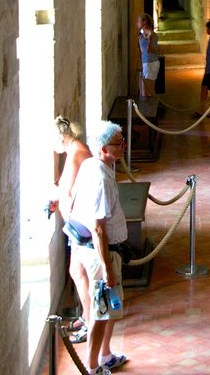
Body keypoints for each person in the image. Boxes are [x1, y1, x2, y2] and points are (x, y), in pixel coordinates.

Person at [71, 121, 130, 374]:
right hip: (101, 253)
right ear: (104, 149)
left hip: (98, 249)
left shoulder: (94, 165)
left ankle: (106, 355)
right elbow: (98, 228)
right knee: (100, 311)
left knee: (111, 308)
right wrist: (107, 268)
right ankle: (92, 366)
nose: (124, 145)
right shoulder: (100, 179)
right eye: (119, 143)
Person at [52, 116, 93, 344]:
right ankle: (86, 316)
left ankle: (89, 321)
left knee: (78, 272)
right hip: (78, 224)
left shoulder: (77, 152)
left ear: (61, 136)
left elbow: (65, 190)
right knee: (78, 272)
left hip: (81, 225)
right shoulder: (75, 150)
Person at [136, 13, 160, 97]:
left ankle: (149, 109)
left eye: (138, 21)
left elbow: (150, 34)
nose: (137, 23)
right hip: (147, 63)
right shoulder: (142, 34)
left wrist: (149, 43)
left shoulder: (150, 34)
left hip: (150, 63)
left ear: (144, 22)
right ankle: (147, 109)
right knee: (145, 90)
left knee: (147, 91)